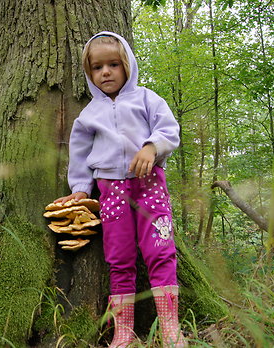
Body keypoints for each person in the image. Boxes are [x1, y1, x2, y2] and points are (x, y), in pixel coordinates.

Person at [54, 31, 187, 347]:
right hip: (111, 192)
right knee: (119, 257)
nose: (106, 72)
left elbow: (169, 130)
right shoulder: (89, 115)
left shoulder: (146, 99)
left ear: (127, 65)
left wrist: (152, 147)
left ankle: (171, 328)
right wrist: (82, 189)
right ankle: (123, 331)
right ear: (89, 73)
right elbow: (80, 154)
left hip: (150, 185)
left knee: (159, 249)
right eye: (97, 68)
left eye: (113, 64)